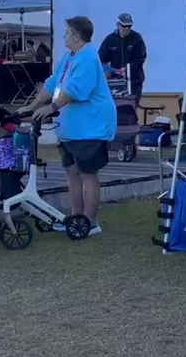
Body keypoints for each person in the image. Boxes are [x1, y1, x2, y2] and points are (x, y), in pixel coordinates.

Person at [22, 16, 115, 235]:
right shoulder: (69, 56)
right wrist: (31, 106)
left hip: (91, 127)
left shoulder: (88, 57)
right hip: (71, 129)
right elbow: (53, 83)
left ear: (76, 35)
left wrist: (52, 108)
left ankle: (91, 223)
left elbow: (74, 90)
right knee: (72, 172)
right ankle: (76, 220)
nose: (63, 35)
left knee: (87, 174)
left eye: (66, 32)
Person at [98, 13, 147, 99]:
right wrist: (109, 70)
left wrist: (127, 68)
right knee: (117, 107)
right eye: (124, 26)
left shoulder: (137, 38)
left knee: (131, 107)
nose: (127, 28)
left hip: (134, 81)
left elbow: (141, 58)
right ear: (118, 25)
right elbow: (100, 59)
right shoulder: (110, 40)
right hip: (115, 82)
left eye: (129, 26)